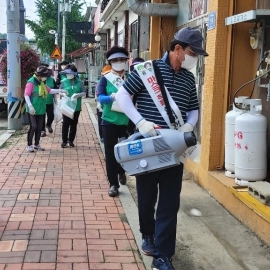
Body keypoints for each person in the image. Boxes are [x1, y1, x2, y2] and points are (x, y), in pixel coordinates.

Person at [116, 27, 207, 270]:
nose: (194, 58)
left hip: (174, 150)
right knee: (147, 199)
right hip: (148, 147)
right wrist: (140, 122)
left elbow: (193, 108)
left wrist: (188, 124)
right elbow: (122, 96)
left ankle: (163, 256)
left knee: (169, 203)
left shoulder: (188, 78)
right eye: (192, 52)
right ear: (177, 49)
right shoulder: (147, 70)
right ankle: (148, 234)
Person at [96, 46, 130, 197]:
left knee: (124, 151)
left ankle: (122, 170)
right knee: (110, 153)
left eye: (122, 60)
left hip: (127, 122)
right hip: (109, 121)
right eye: (115, 60)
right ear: (110, 62)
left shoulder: (131, 78)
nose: (119, 62)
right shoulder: (106, 78)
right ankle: (113, 184)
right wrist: (112, 97)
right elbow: (100, 97)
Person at [25, 66, 64, 152]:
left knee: (39, 127)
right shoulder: (31, 82)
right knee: (33, 126)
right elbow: (26, 95)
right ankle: (29, 145)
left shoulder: (41, 83)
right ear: (40, 75)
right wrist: (30, 105)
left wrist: (60, 91)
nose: (46, 77)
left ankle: (37, 144)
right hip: (32, 109)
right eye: (45, 76)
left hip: (41, 108)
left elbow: (49, 91)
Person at [59, 64, 86, 148]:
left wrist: (78, 95)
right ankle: (64, 141)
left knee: (74, 124)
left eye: (69, 73)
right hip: (66, 106)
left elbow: (84, 92)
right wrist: (63, 93)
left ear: (74, 73)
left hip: (76, 107)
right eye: (67, 74)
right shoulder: (63, 82)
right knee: (65, 124)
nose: (68, 75)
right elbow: (60, 91)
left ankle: (71, 140)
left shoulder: (80, 82)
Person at [97, 64, 112, 142]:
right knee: (101, 121)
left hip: (111, 107)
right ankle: (102, 136)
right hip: (101, 106)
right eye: (106, 74)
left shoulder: (114, 82)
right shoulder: (101, 81)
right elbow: (98, 96)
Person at [41, 64, 57, 137]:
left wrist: (56, 99)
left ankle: (48, 125)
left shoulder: (52, 80)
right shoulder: (39, 80)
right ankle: (42, 131)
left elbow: (55, 90)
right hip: (41, 102)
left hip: (49, 101)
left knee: (51, 116)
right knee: (42, 117)